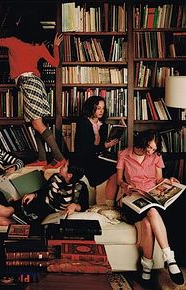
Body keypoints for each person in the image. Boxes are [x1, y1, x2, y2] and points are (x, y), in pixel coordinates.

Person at [0, 15, 65, 169]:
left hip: (28, 83)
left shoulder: (13, 41)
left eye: (19, 21)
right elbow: (55, 63)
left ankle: (60, 158)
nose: (17, 23)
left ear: (23, 26)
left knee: (38, 124)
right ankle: (42, 158)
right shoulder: (39, 45)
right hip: (35, 83)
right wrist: (55, 46)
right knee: (35, 123)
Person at [115, 130, 184, 285]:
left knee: (147, 222)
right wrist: (126, 186)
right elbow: (119, 180)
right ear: (142, 142)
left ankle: (147, 270)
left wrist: (169, 181)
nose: (151, 151)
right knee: (151, 211)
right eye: (149, 147)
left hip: (150, 196)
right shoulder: (124, 154)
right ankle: (170, 258)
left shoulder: (156, 156)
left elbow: (159, 179)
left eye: (154, 149)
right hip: (131, 199)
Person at [12, 160, 89, 224]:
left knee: (17, 217)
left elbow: (84, 206)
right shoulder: (55, 177)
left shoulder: (81, 187)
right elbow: (44, 190)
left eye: (64, 166)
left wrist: (74, 206)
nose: (60, 166)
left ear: (69, 175)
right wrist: (34, 194)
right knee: (12, 208)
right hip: (40, 203)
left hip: (49, 212)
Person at [74, 95, 119, 200]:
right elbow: (85, 148)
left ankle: (109, 203)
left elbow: (100, 147)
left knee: (120, 164)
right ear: (91, 108)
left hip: (97, 157)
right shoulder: (83, 123)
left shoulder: (102, 125)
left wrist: (109, 143)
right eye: (98, 108)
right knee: (115, 168)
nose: (101, 111)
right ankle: (109, 203)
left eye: (103, 108)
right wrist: (104, 146)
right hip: (85, 160)